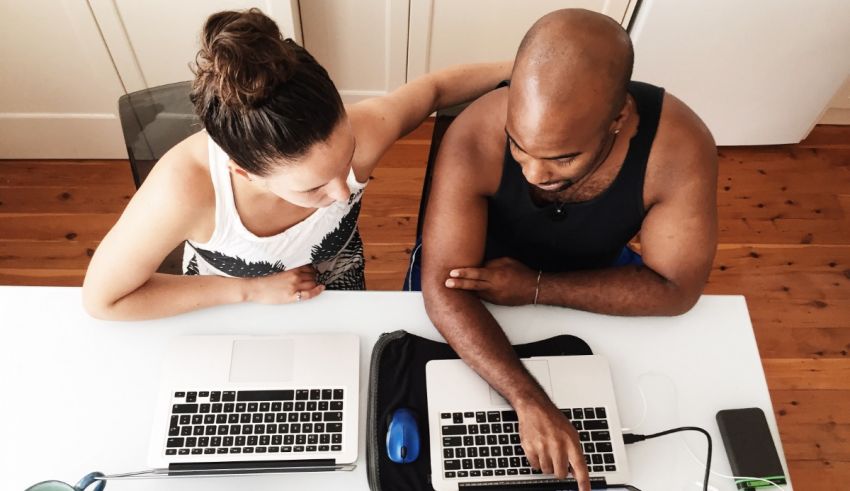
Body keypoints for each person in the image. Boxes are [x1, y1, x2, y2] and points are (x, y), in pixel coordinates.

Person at [420, 9, 717, 489]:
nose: (534, 174)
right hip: (476, 280)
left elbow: (677, 289)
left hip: (587, 277)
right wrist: (529, 401)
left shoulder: (679, 149)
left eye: (563, 156)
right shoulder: (475, 132)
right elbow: (442, 288)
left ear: (619, 117)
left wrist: (536, 288)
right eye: (518, 146)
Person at [82, 8, 511, 321]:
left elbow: (435, 89)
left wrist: (535, 66)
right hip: (223, 306)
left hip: (340, 293)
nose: (343, 193)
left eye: (345, 162)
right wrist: (249, 292)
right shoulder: (183, 189)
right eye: (313, 188)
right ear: (244, 172)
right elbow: (105, 300)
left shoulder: (368, 130)